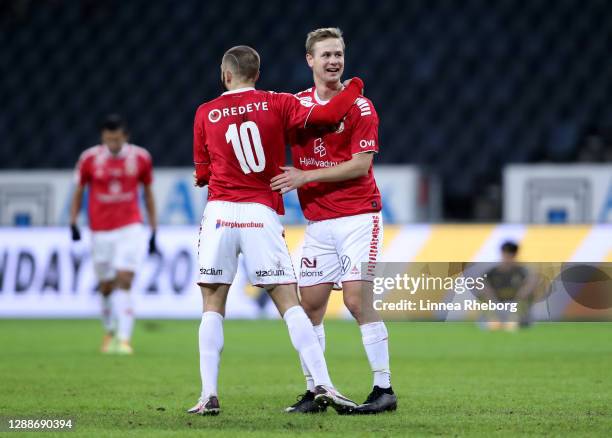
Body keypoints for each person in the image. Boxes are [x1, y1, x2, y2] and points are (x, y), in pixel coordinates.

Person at [187, 45, 364, 416]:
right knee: (288, 303)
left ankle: (208, 395)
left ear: (226, 74)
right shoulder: (277, 102)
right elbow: (331, 113)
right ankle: (324, 383)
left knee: (212, 305)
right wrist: (355, 86)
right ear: (257, 73)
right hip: (260, 212)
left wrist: (208, 173)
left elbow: (202, 174)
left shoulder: (205, 112)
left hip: (220, 214)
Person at [270, 27, 396, 415]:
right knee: (309, 307)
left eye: (338, 54)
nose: (334, 61)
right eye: (325, 55)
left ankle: (383, 388)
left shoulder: (361, 107)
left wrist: (305, 176)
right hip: (319, 224)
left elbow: (361, 165)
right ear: (310, 60)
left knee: (357, 302)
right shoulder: (295, 106)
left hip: (359, 216)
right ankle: (316, 390)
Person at [70, 114, 158, 355]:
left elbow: (148, 193)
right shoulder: (89, 159)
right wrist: (73, 222)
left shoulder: (141, 157)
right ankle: (110, 330)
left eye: (117, 139)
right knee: (107, 285)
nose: (113, 144)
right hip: (99, 230)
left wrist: (154, 228)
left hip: (130, 226)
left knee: (125, 278)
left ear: (125, 137)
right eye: (109, 139)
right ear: (103, 137)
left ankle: (125, 339)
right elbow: (78, 191)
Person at [482, 241, 536, 331]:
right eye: (505, 255)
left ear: (514, 255)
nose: (507, 259)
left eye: (510, 255)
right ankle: (494, 320)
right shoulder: (492, 272)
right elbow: (484, 290)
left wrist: (522, 294)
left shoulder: (523, 272)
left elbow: (530, 286)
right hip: (498, 304)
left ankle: (514, 320)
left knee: (524, 300)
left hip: (515, 305)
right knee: (484, 299)